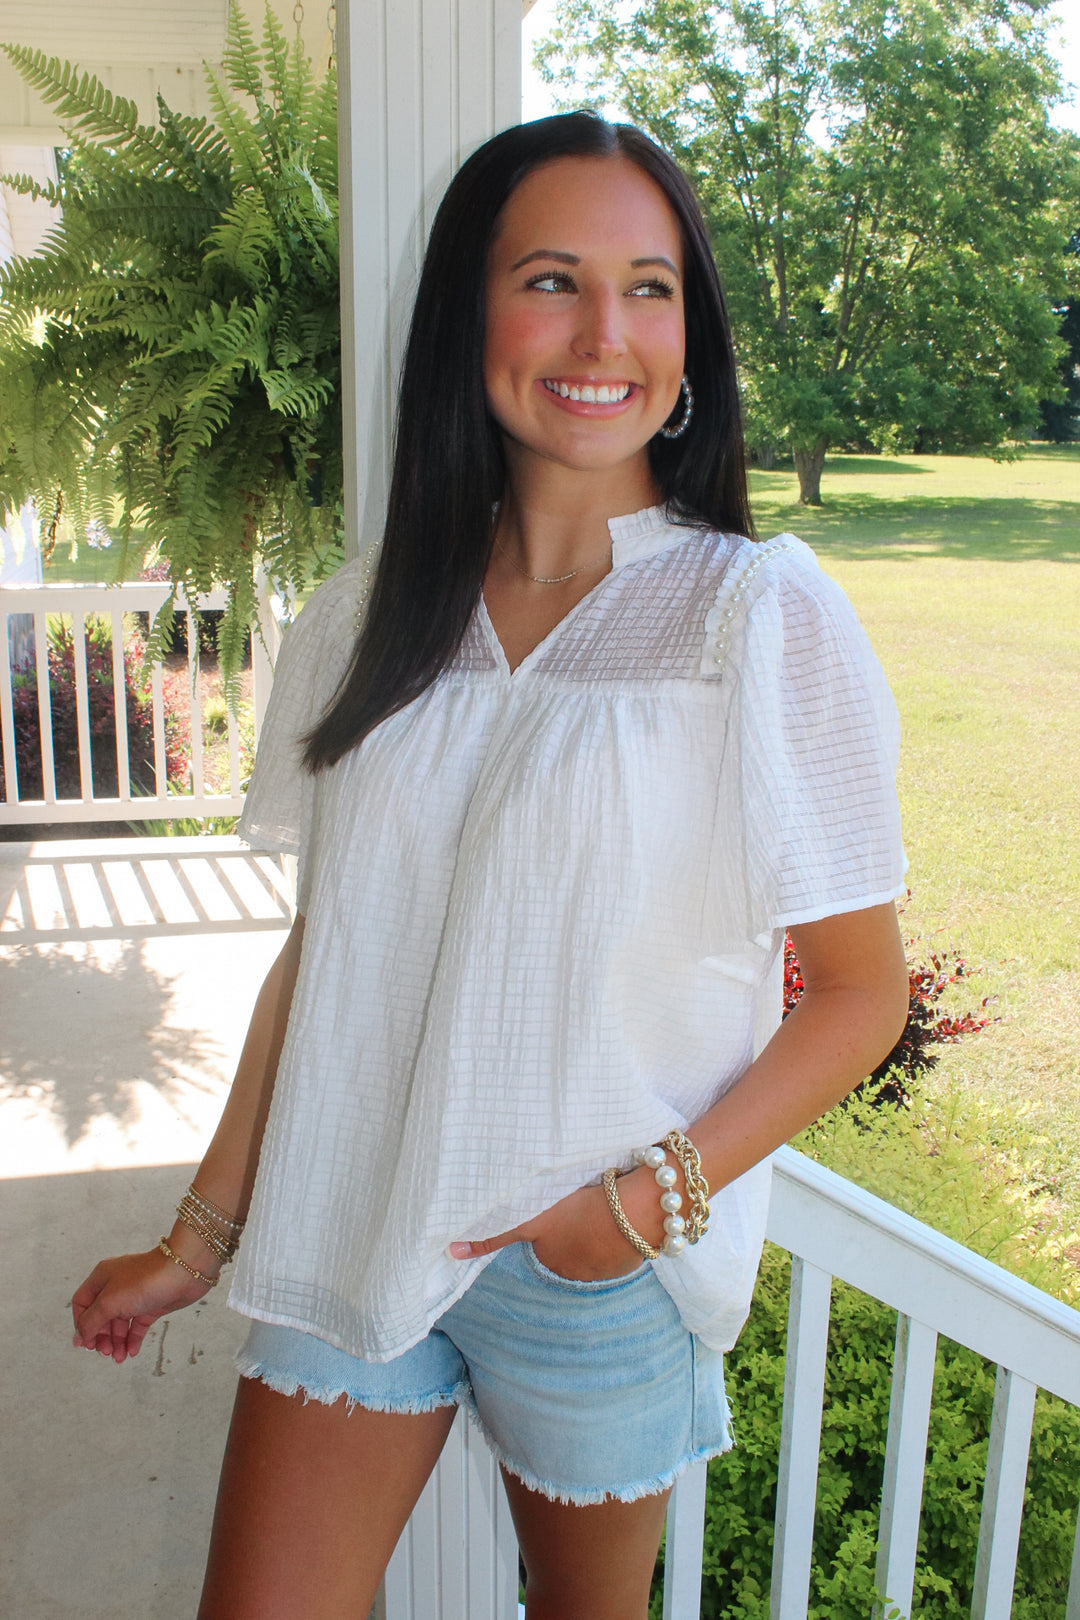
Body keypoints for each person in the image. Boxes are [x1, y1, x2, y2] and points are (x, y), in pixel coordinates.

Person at [69, 112, 910, 1620]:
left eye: (650, 288)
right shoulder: (364, 617)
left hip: (595, 1261)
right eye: (552, 279)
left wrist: (641, 1206)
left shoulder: (755, 618)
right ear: (471, 316)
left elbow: (859, 994)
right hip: (354, 1214)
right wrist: (199, 1237)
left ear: (691, 335)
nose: (605, 333)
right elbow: (333, 954)